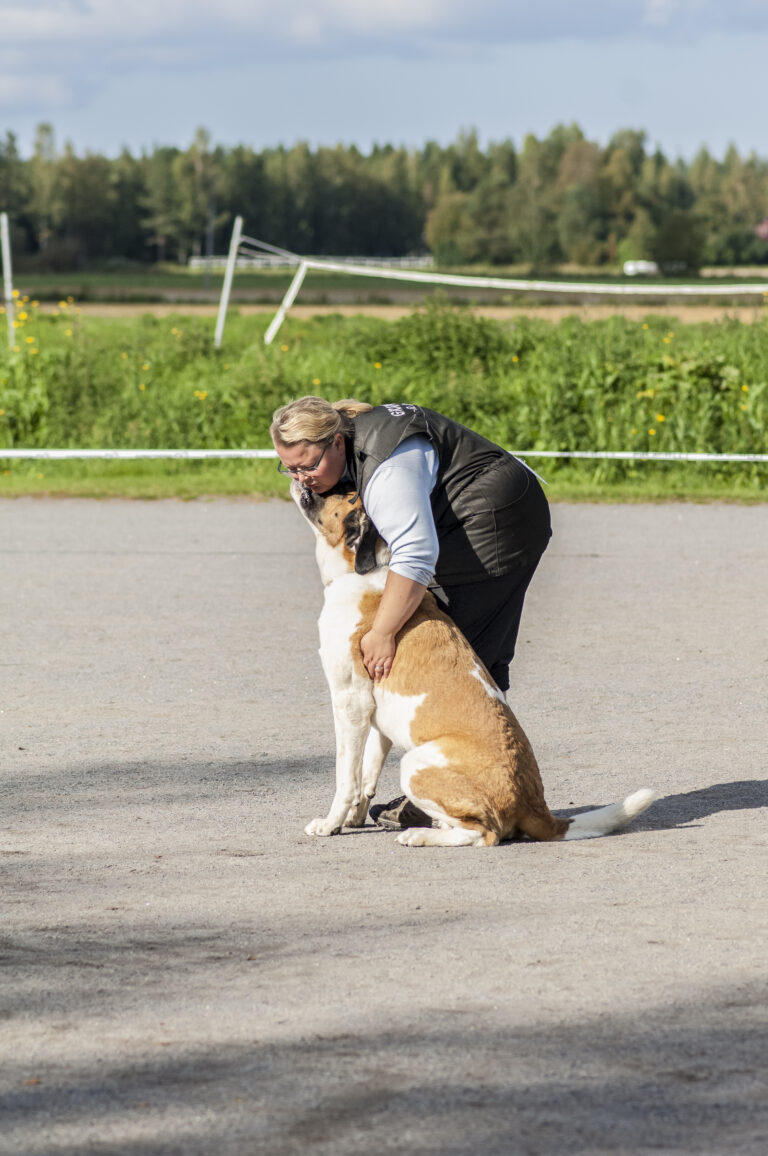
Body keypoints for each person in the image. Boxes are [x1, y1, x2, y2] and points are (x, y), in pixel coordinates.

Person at [270, 396, 552, 828]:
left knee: (451, 650)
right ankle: (489, 792)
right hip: (485, 505)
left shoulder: (388, 470)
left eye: (307, 465)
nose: (301, 479)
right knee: (450, 654)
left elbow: (416, 555)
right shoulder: (354, 441)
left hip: (496, 519)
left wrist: (382, 632)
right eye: (289, 469)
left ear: (337, 444)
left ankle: (460, 800)